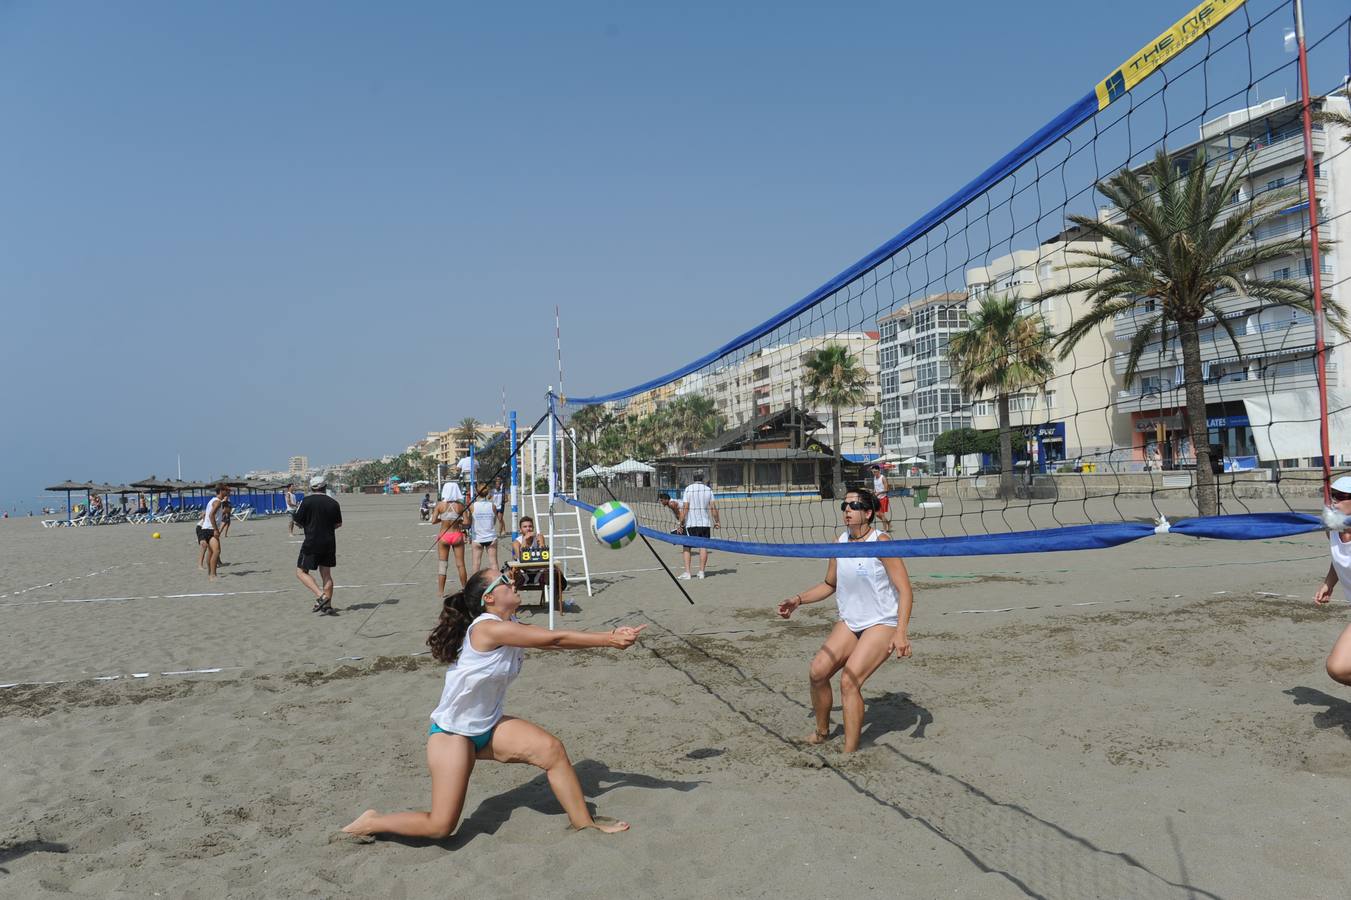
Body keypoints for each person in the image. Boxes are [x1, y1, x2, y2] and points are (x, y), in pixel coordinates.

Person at [341, 569, 646, 841]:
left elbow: (554, 638)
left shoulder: (510, 622)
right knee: (440, 827)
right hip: (453, 735)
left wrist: (611, 635)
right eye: (503, 579)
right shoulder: (487, 628)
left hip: (488, 726)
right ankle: (374, 821)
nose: (511, 579)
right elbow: (553, 640)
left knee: (552, 751)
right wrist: (609, 639)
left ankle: (584, 823)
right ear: (489, 598)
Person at [776, 487, 913, 753]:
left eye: (854, 506)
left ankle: (850, 752)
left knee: (849, 682)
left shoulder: (882, 542)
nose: (847, 511)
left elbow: (906, 590)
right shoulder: (839, 542)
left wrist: (902, 633)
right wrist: (798, 600)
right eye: (845, 506)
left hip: (882, 622)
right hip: (851, 621)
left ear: (869, 513)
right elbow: (830, 584)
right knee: (817, 671)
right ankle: (822, 733)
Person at [1314, 475, 1351, 684]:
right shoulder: (1332, 531)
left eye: (1340, 496)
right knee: (1337, 668)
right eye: (1331, 496)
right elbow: (1339, 558)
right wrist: (1329, 583)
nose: (1334, 501)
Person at [293, 475, 343, 615]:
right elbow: (338, 524)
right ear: (325, 487)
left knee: (301, 572)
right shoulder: (333, 503)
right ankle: (328, 606)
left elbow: (297, 522)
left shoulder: (306, 501)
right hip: (328, 541)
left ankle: (322, 596)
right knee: (326, 574)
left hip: (311, 541)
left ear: (311, 488)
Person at [511, 515, 568, 611]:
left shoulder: (539, 537)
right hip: (523, 573)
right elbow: (519, 557)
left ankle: (555, 601)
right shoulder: (517, 542)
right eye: (525, 527)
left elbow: (543, 554)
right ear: (520, 530)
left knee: (557, 574)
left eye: (530, 526)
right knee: (509, 576)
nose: (528, 529)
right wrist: (525, 540)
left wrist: (539, 541)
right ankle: (512, 605)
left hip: (540, 572)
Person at [678, 471, 719, 579]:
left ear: (693, 478)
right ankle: (701, 572)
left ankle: (687, 572)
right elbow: (713, 508)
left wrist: (680, 523)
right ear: (703, 478)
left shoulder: (688, 489)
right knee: (703, 547)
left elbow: (685, 508)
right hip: (705, 524)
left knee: (687, 547)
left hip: (691, 523)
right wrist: (717, 521)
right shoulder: (708, 489)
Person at [435, 480, 469, 596]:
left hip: (444, 535)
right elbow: (466, 522)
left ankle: (440, 591)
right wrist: (458, 520)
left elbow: (433, 520)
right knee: (460, 564)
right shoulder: (460, 505)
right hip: (457, 535)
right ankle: (465, 588)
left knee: (443, 564)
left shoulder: (440, 505)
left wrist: (443, 519)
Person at [197, 485, 230, 580]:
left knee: (211, 552)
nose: (228, 492)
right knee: (216, 551)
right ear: (221, 491)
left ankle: (210, 573)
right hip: (210, 529)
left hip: (205, 529)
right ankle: (212, 574)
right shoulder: (217, 502)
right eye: (226, 490)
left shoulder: (213, 500)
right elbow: (211, 515)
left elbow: (207, 514)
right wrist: (216, 529)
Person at [468, 484, 500, 573]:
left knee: (476, 564)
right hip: (491, 536)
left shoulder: (472, 506)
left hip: (478, 537)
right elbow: (493, 521)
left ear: (477, 492)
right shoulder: (492, 506)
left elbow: (470, 521)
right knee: (493, 563)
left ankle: (475, 585)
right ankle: (496, 583)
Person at [870, 465, 892, 531]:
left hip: (883, 498)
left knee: (882, 514)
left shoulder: (883, 478)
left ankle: (885, 529)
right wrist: (873, 492)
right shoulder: (874, 478)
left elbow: (887, 490)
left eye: (875, 472)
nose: (874, 473)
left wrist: (879, 493)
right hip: (877, 498)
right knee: (876, 514)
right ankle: (888, 523)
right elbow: (875, 488)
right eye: (873, 472)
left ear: (879, 471)